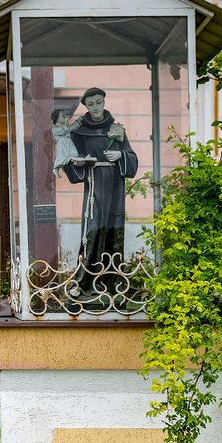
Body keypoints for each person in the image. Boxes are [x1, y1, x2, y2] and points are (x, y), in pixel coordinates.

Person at [63, 88, 138, 293]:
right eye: (91, 104)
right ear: (86, 106)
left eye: (99, 102)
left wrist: (120, 156)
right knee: (92, 230)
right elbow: (69, 157)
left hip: (115, 186)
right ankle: (84, 282)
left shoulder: (116, 129)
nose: (96, 107)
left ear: (104, 102)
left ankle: (112, 283)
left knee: (114, 230)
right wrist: (79, 163)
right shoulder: (79, 132)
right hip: (95, 184)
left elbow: (131, 158)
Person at [51, 108, 80, 178]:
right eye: (63, 116)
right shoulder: (55, 129)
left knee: (75, 154)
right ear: (56, 118)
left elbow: (71, 128)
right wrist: (66, 123)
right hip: (62, 144)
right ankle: (56, 168)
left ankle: (68, 167)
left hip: (69, 142)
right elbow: (65, 130)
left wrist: (79, 122)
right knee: (62, 157)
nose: (65, 117)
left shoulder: (65, 127)